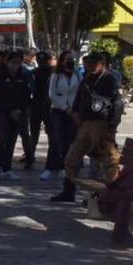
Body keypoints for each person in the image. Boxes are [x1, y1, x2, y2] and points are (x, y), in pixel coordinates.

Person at [51, 51, 124, 203]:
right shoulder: (87, 79)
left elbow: (117, 103)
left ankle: (107, 195)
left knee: (106, 162)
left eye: (93, 63)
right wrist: (76, 114)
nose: (90, 66)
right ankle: (69, 190)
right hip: (84, 125)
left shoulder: (109, 79)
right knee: (71, 159)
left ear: (102, 64)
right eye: (88, 63)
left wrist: (112, 126)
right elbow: (78, 99)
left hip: (102, 125)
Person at [0, 50, 33, 182]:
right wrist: (9, 111)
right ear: (8, 62)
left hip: (18, 114)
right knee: (1, 141)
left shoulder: (23, 76)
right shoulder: (0, 75)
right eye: (13, 62)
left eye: (19, 63)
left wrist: (19, 110)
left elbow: (26, 96)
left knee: (11, 142)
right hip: (3, 113)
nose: (16, 65)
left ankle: (7, 169)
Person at [43, 51, 80, 181]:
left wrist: (74, 110)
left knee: (67, 141)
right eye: (67, 59)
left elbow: (78, 94)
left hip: (72, 112)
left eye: (72, 59)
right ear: (62, 61)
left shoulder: (77, 75)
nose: (70, 61)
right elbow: (52, 94)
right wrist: (65, 107)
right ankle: (49, 168)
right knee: (55, 140)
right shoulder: (56, 75)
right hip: (58, 110)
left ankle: (63, 167)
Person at [27, 51, 53, 170]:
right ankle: (48, 160)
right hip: (44, 104)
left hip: (40, 104)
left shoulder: (34, 72)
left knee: (35, 133)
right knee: (49, 134)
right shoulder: (52, 72)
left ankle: (31, 157)